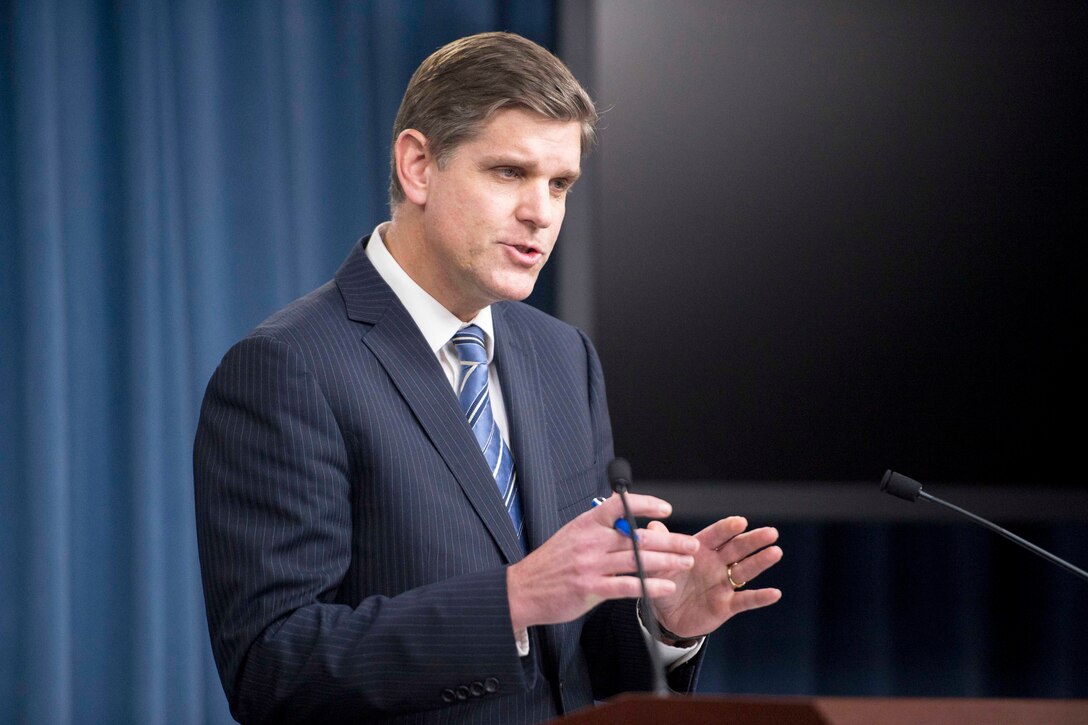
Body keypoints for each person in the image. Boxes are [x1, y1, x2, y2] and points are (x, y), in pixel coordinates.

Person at [193, 31, 782, 724]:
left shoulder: (563, 358)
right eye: (510, 172)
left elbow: (579, 662)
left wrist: (666, 627)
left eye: (560, 183)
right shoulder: (290, 368)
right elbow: (272, 666)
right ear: (418, 166)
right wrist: (512, 599)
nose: (542, 212)